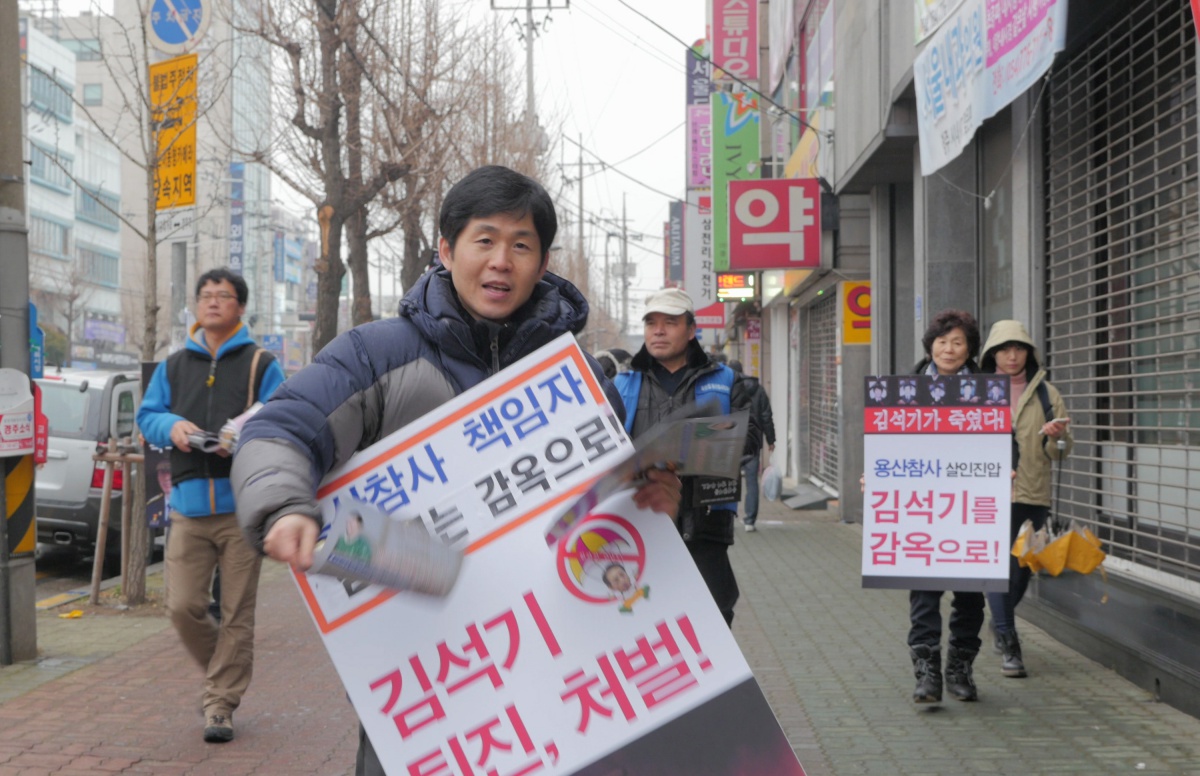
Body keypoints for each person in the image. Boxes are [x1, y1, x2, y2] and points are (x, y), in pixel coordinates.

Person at [230, 165, 681, 776]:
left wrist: (653, 501)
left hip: (560, 665)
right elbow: (279, 430)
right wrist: (283, 505)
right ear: (447, 249)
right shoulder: (377, 354)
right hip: (426, 676)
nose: (501, 261)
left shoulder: (579, 378)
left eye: (521, 245)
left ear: (543, 262)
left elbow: (609, 501)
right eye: (485, 239)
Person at [137, 267, 286, 743]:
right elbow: (148, 415)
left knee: (238, 612)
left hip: (243, 507)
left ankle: (220, 703)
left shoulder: (263, 363)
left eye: (223, 296)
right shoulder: (175, 365)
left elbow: (283, 412)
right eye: (206, 295)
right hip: (187, 508)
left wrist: (240, 437)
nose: (213, 302)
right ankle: (224, 669)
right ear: (197, 307)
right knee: (183, 607)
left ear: (240, 307)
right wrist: (172, 428)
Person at [613, 287, 760, 627]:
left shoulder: (725, 381)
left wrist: (689, 449)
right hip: (639, 528)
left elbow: (750, 438)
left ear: (692, 330)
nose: (658, 330)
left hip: (704, 526)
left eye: (670, 322)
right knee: (641, 620)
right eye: (651, 323)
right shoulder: (621, 384)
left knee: (714, 616)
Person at [980, 320, 1072, 678]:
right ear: (992, 355)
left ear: (1028, 352)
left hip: (1032, 492)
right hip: (988, 492)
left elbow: (1061, 452)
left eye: (1018, 348)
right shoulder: (976, 391)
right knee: (998, 570)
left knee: (1020, 571)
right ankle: (1009, 642)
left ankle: (1000, 621)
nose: (1012, 355)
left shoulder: (1047, 394)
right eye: (1004, 349)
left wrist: (1057, 437)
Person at [907, 308, 985, 704]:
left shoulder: (989, 391)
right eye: (942, 341)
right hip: (923, 507)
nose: (949, 349)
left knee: (972, 593)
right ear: (930, 346)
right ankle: (927, 673)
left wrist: (1008, 468)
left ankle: (960, 668)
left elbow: (1007, 442)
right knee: (924, 593)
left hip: (973, 509)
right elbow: (886, 442)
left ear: (969, 348)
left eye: (958, 342)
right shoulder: (904, 390)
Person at [728, 360, 775, 532]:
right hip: (752, 441)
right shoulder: (758, 388)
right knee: (751, 481)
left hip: (731, 441)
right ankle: (750, 521)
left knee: (727, 480)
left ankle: (727, 518)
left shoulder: (727, 386)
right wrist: (771, 439)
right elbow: (766, 415)